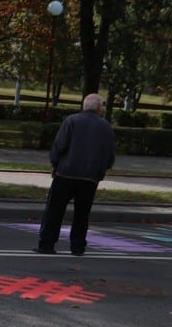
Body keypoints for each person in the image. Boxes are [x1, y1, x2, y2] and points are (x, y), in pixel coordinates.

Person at [34, 93, 116, 256]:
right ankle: (77, 246)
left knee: (54, 210)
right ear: (100, 108)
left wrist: (55, 164)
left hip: (65, 173)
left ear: (84, 106)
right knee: (82, 214)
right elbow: (109, 154)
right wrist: (102, 171)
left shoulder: (71, 121)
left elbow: (60, 145)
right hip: (89, 177)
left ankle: (47, 244)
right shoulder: (106, 126)